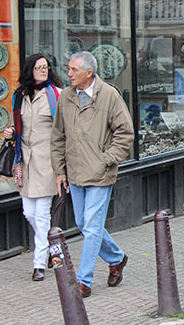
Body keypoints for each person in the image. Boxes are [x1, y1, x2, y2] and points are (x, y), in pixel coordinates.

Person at [50, 51, 134, 298]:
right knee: (84, 223)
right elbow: (57, 137)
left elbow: (125, 133)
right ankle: (117, 257)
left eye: (73, 70)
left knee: (93, 226)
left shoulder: (109, 95)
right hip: (75, 172)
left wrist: (107, 160)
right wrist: (60, 170)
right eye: (68, 69)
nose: (68, 74)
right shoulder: (66, 97)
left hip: (100, 173)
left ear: (89, 73)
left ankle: (83, 281)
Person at [3, 54, 62, 281]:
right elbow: (17, 126)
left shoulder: (56, 94)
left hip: (47, 161)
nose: (43, 71)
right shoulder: (20, 96)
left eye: (46, 67)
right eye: (38, 68)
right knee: (29, 212)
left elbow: (62, 131)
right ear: (30, 70)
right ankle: (51, 245)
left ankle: (39, 264)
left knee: (41, 213)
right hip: (24, 160)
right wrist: (10, 131)